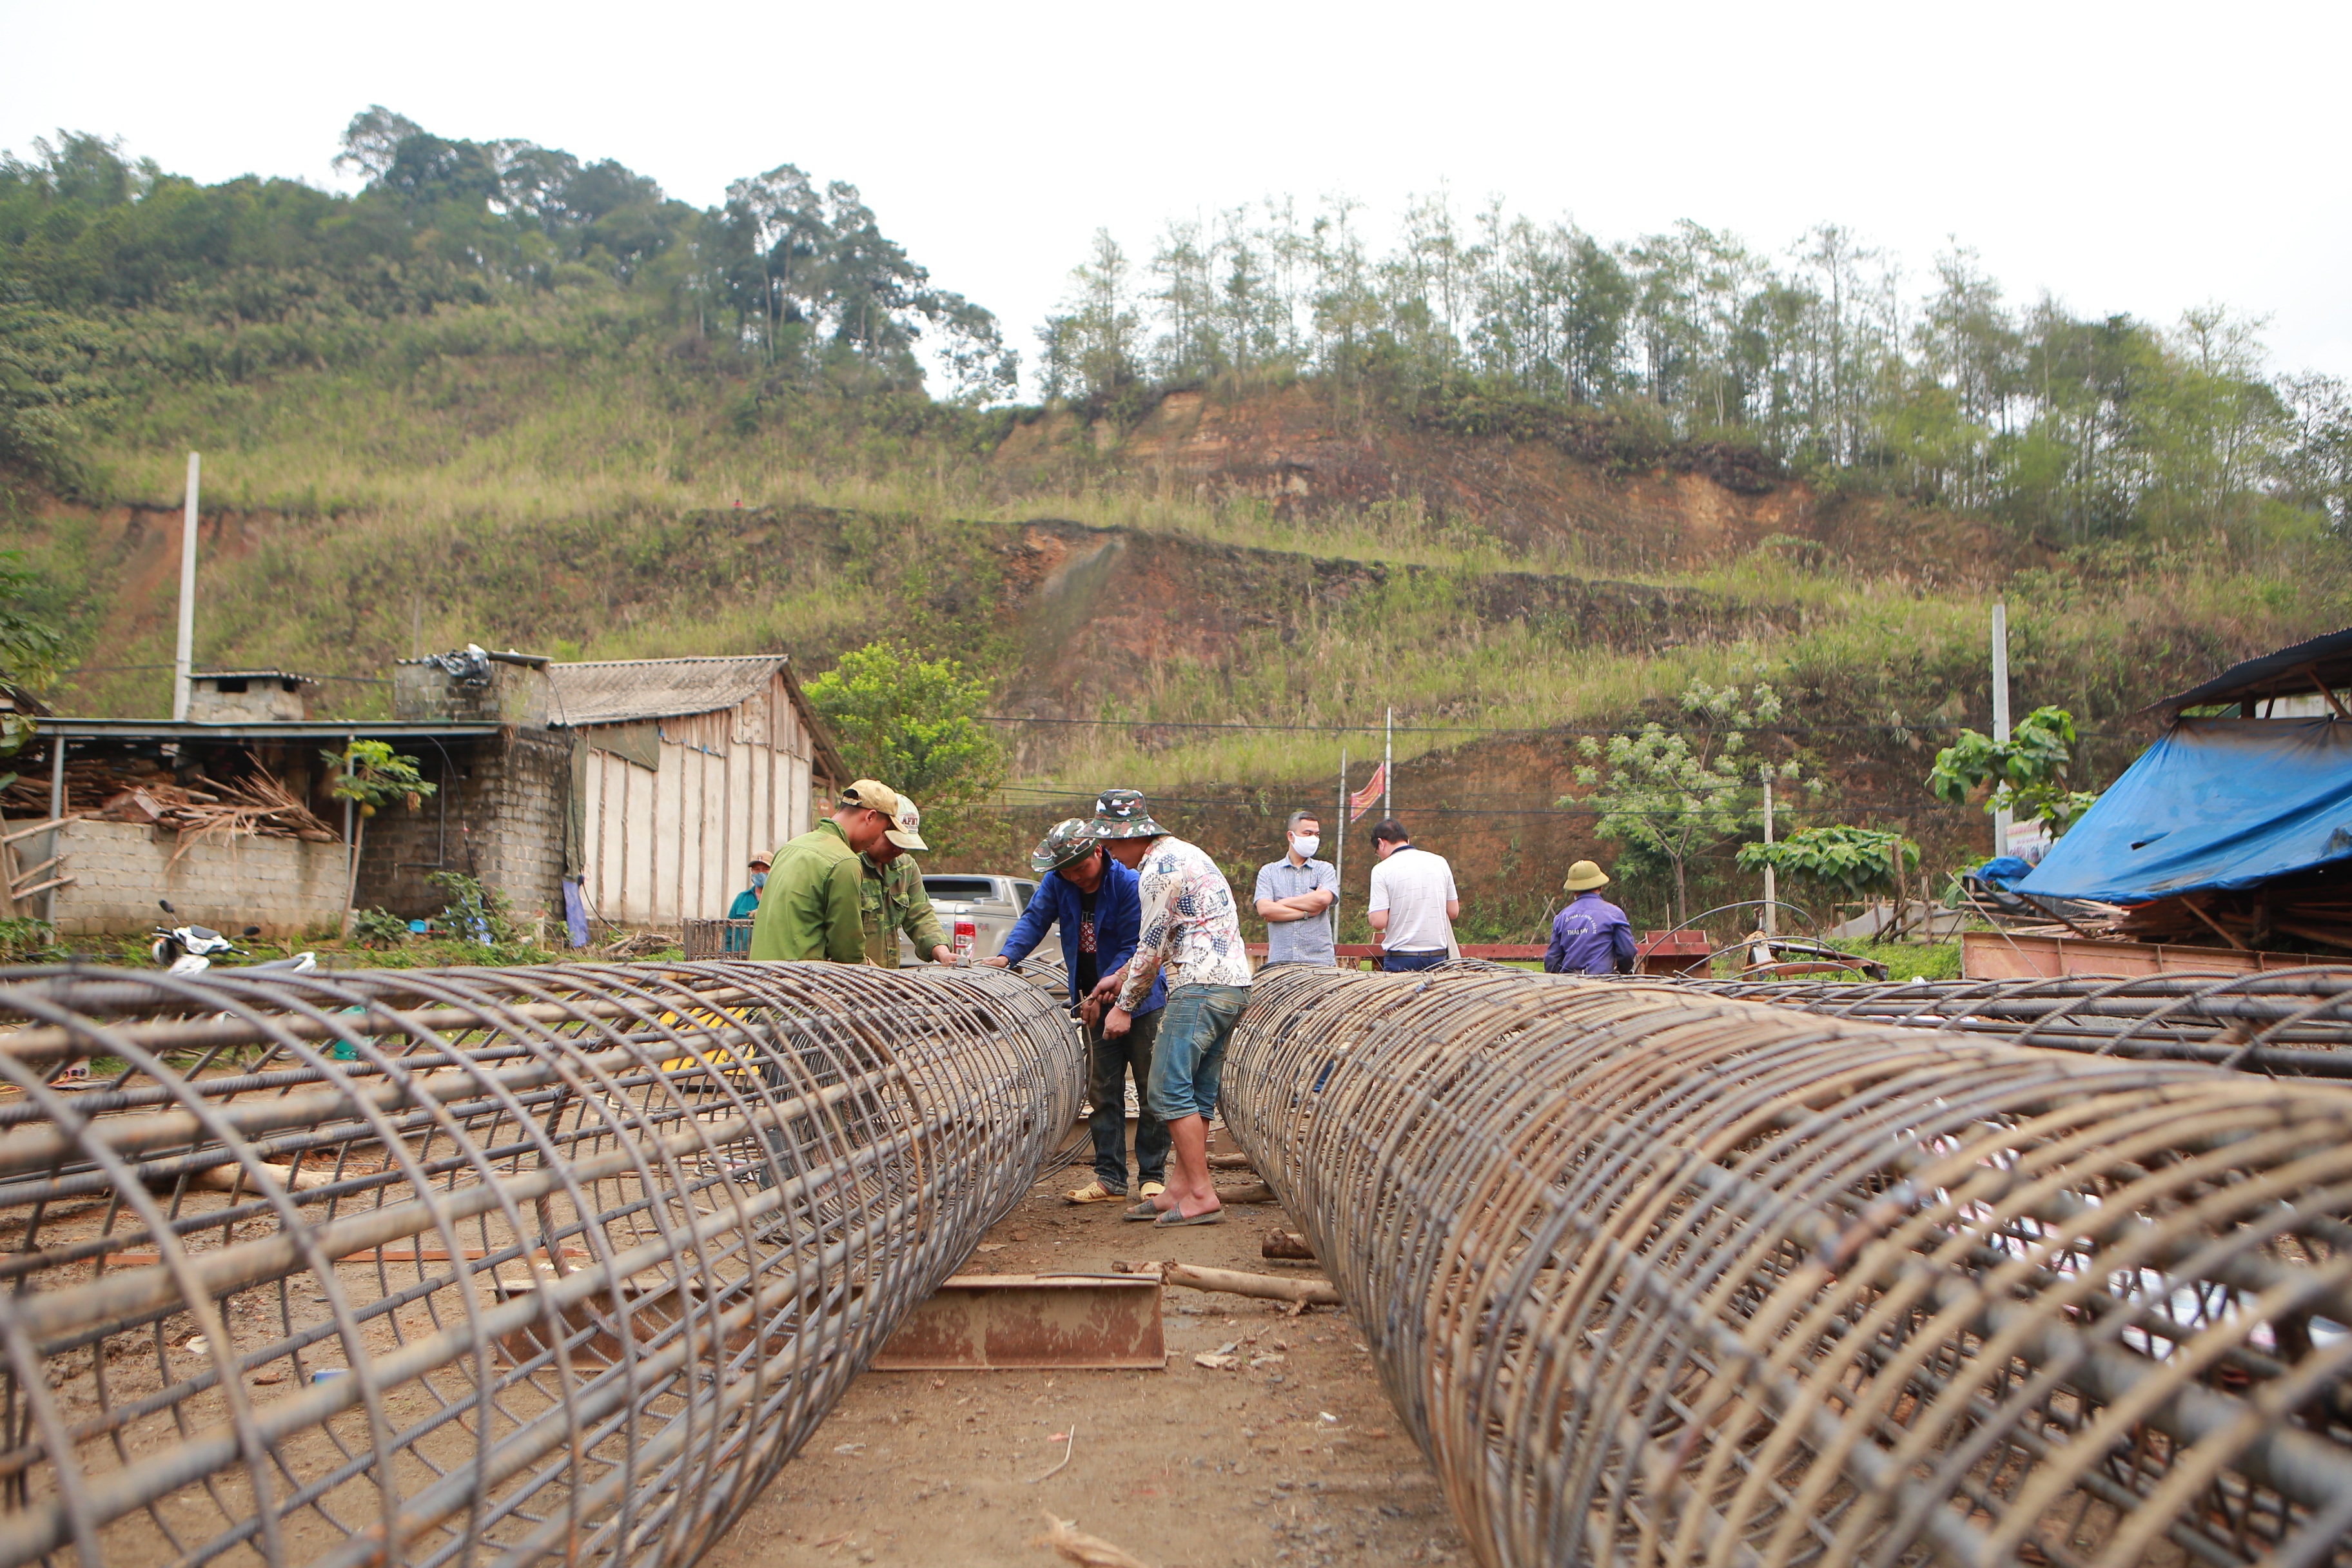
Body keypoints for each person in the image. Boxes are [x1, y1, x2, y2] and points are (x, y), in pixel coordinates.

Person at [1084, 789, 1253, 1227]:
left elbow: (1152, 947)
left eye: (1112, 843)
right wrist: (1120, 976)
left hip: (1198, 986)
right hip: (1230, 984)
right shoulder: (1186, 853)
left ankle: (1200, 1192)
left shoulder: (1157, 870)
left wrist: (1123, 1006)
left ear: (1131, 836)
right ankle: (1179, 1186)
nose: (1110, 852)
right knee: (1195, 1090)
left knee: (1164, 1087)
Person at [988, 818, 1170, 1205]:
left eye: (1080, 868)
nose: (1075, 877)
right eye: (1066, 871)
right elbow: (1034, 919)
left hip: (1139, 998)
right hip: (1094, 1001)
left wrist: (1112, 990)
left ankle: (1152, 1176)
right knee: (1102, 1091)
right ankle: (1110, 1178)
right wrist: (1007, 957)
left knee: (1153, 1088)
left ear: (1099, 852)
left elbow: (1134, 947)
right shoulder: (1059, 882)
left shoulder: (1128, 884)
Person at [747, 779, 901, 962]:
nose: (877, 839)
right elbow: (847, 953)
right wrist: (876, 974)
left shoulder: (790, 847)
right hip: (798, 983)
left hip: (758, 977)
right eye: (883, 830)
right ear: (870, 817)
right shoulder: (844, 862)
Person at [859, 794, 954, 967]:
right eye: (893, 842)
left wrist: (943, 952)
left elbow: (921, 916)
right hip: (848, 979)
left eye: (905, 844)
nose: (899, 850)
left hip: (888, 979)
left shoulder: (906, 867)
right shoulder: (848, 865)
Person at [1366, 819, 1458, 971]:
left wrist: (1371, 914)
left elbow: (1379, 922)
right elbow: (1454, 912)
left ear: (1381, 843)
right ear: (1407, 840)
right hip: (1438, 956)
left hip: (1401, 958)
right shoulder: (1440, 862)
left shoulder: (1381, 870)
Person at [1253, 810, 1338, 967]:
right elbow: (1265, 909)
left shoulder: (1324, 869)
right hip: (1280, 963)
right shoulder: (1269, 871)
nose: (1313, 839)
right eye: (1307, 833)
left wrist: (1281, 904)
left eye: (1317, 834)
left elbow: (1323, 899)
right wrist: (1307, 912)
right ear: (1291, 836)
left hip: (1319, 964)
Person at [1546, 859, 1636, 975]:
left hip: (1569, 985)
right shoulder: (1614, 914)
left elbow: (1552, 961)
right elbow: (1627, 953)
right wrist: (1622, 972)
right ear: (1600, 887)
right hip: (1602, 984)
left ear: (1574, 891)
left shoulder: (1561, 917)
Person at [725, 855, 768, 954]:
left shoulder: (778, 897)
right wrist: (727, 954)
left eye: (766, 869)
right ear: (752, 871)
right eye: (757, 869)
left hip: (768, 959)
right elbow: (728, 930)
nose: (761, 873)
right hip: (741, 958)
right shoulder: (742, 898)